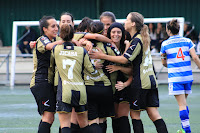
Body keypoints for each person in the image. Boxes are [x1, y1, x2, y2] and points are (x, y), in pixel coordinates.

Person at [90, 12, 168, 133]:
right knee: (153, 114)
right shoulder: (141, 38)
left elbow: (125, 59)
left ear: (132, 23)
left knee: (134, 116)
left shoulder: (135, 40)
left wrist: (103, 56)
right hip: (151, 80)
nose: (124, 22)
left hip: (141, 82)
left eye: (127, 20)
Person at [52, 24, 98, 133]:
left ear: (60, 35)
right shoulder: (81, 51)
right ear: (73, 35)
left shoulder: (56, 49)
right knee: (84, 125)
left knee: (65, 126)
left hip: (65, 90)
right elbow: (92, 71)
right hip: (80, 90)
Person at [160, 19, 200, 133]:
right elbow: (195, 58)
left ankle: (187, 130)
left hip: (175, 78)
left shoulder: (165, 44)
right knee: (184, 103)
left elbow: (163, 62)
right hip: (188, 77)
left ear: (168, 30)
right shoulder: (187, 41)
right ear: (178, 29)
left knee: (181, 104)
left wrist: (171, 65)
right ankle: (184, 128)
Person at [30, 16, 63, 133]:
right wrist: (67, 40)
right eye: (53, 26)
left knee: (50, 117)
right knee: (48, 117)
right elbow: (48, 46)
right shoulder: (42, 40)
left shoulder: (55, 41)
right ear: (45, 29)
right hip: (41, 82)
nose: (56, 28)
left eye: (57, 26)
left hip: (48, 83)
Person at [106, 22, 132, 133]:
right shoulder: (105, 46)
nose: (116, 34)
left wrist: (118, 68)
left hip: (123, 85)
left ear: (123, 34)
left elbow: (131, 70)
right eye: (113, 32)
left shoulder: (127, 47)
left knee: (122, 117)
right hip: (109, 86)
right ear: (109, 33)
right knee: (114, 117)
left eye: (119, 32)